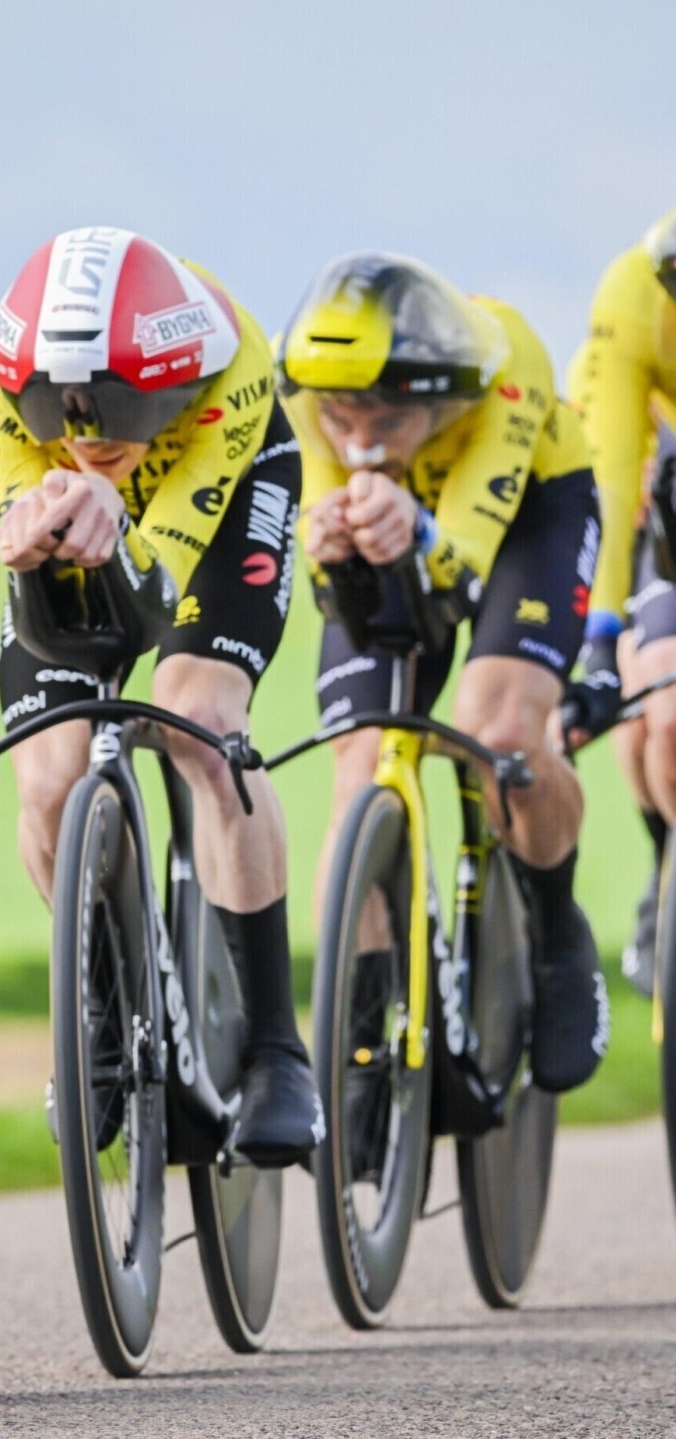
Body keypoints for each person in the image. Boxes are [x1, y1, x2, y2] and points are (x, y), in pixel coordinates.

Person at [0, 227, 323, 1167]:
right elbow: (23, 525)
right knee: (46, 779)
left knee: (200, 722)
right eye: (67, 411)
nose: (92, 432)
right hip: (79, 516)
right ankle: (99, 1001)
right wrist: (32, 524)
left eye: (124, 407)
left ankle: (276, 1046)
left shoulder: (232, 362)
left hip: (223, 499)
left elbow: (155, 586)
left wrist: (107, 512)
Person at [277, 252, 608, 1094]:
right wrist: (333, 549)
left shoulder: (505, 369)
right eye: (337, 418)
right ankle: (358, 1039)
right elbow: (332, 585)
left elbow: (457, 572)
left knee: (498, 734)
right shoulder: (306, 399)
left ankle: (554, 929)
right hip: (408, 522)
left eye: (382, 421)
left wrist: (417, 534)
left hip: (528, 514)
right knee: (358, 767)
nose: (355, 445)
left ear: (432, 396)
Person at [566, 210, 676, 996]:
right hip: (661, 489)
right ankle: (664, 862)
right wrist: (600, 643)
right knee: (657, 713)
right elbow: (607, 479)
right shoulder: (633, 293)